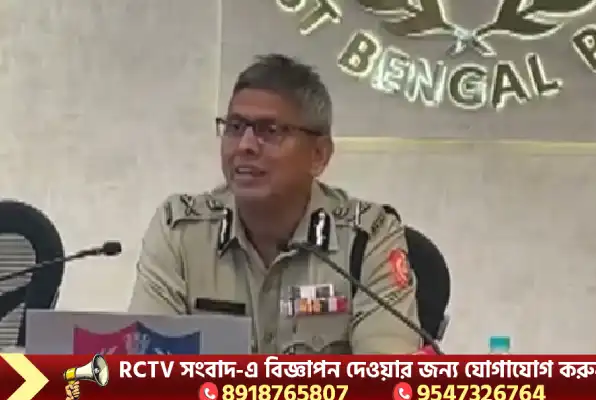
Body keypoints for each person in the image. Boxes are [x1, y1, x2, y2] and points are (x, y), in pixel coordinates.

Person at [128, 54, 421, 354]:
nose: (245, 145)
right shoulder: (180, 231)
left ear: (318, 155)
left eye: (270, 131)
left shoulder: (367, 237)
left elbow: (388, 375)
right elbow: (145, 367)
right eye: (235, 127)